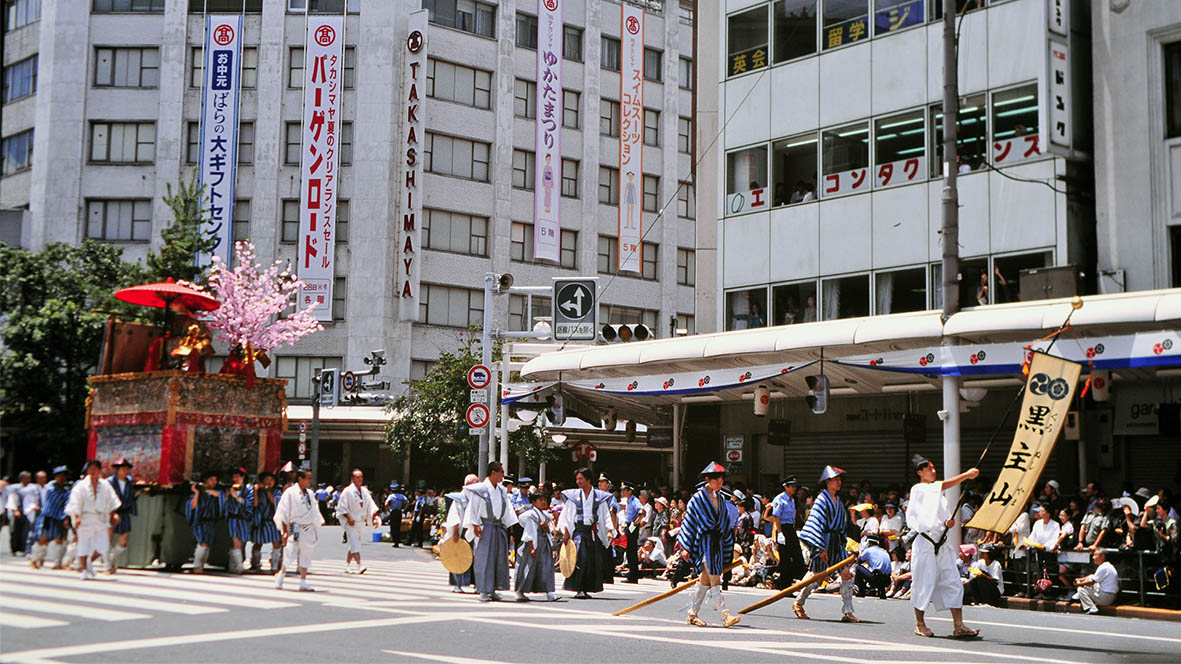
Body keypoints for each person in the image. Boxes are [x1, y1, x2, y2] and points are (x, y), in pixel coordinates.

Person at [907, 458, 980, 638]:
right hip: (925, 543)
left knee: (953, 581)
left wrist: (947, 522)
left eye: (933, 467)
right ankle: (920, 623)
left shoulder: (939, 495)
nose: (933, 471)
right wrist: (966, 475)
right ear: (920, 472)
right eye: (929, 468)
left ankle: (958, 625)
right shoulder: (919, 489)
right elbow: (940, 486)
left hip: (942, 543)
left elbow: (942, 516)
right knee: (923, 582)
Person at [678, 462, 740, 628]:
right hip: (704, 542)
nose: (719, 483)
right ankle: (724, 614)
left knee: (705, 581)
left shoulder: (720, 498)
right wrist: (685, 547)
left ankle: (692, 613)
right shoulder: (698, 498)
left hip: (716, 542)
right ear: (708, 479)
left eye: (721, 480)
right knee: (715, 579)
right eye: (716, 480)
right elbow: (689, 522)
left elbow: (725, 523)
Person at [796, 465, 859, 622]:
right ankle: (798, 603)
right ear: (827, 481)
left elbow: (842, 525)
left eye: (839, 479)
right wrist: (819, 547)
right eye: (835, 479)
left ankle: (848, 612)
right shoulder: (821, 500)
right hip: (823, 541)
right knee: (816, 578)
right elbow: (814, 524)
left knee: (847, 575)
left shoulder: (838, 501)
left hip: (837, 543)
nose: (838, 482)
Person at [463, 461, 519, 602]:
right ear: (493, 473)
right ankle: (482, 589)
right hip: (485, 527)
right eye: (501, 472)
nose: (503, 475)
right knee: (484, 559)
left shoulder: (501, 490)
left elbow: (507, 510)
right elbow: (473, 508)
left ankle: (493, 589)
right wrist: (474, 524)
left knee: (498, 559)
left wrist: (510, 528)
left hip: (499, 526)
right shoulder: (480, 489)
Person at [560, 467, 615, 598]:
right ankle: (578, 588)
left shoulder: (598, 497)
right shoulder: (574, 496)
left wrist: (609, 530)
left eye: (581, 479)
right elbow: (567, 515)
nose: (578, 481)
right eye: (577, 479)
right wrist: (566, 532)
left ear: (588, 480)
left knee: (591, 561)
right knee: (580, 559)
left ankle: (587, 587)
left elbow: (605, 515)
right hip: (579, 532)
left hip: (592, 532)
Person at [65, 460, 122, 580]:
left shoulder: (105, 485)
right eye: (90, 468)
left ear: (100, 470)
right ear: (87, 470)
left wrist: (113, 515)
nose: (93, 471)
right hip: (85, 516)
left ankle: (89, 562)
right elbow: (75, 502)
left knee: (103, 545)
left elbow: (112, 500)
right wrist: (77, 517)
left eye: (96, 468)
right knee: (83, 543)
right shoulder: (81, 486)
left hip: (100, 517)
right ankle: (83, 569)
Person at [274, 469, 324, 591]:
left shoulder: (311, 494)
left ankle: (303, 581)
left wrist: (318, 522)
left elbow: (315, 510)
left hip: (308, 527)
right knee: (289, 554)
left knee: (306, 555)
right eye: (308, 478)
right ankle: (281, 577)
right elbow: (282, 512)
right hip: (295, 526)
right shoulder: (290, 493)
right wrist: (285, 531)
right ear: (300, 479)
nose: (310, 480)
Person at [514, 491, 559, 602]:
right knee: (528, 567)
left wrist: (546, 528)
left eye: (544, 499)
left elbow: (551, 531)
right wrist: (532, 548)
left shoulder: (546, 515)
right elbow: (529, 532)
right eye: (540, 500)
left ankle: (549, 592)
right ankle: (520, 591)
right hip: (533, 543)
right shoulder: (531, 515)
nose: (543, 502)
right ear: (533, 502)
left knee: (547, 567)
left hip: (544, 543)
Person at [336, 468, 381, 574]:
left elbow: (370, 505)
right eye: (357, 477)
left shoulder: (364, 491)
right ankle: (359, 565)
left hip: (361, 521)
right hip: (351, 521)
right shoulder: (347, 491)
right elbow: (341, 506)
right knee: (354, 543)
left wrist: (374, 517)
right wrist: (348, 517)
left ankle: (347, 565)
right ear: (352, 478)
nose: (360, 479)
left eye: (361, 477)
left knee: (354, 544)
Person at [443, 474, 480, 593]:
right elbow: (454, 517)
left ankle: (477, 584)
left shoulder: (477, 498)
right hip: (461, 531)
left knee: (476, 557)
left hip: (474, 531)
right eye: (475, 482)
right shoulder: (458, 499)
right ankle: (457, 584)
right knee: (457, 557)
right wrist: (455, 532)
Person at [31, 466, 71, 570]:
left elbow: (67, 505)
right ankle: (35, 559)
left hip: (59, 518)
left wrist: (67, 517)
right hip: (47, 517)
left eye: (63, 476)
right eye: (59, 476)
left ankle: (58, 563)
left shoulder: (66, 491)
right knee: (43, 539)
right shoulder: (49, 488)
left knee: (59, 540)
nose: (61, 478)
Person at [769, 475, 806, 588]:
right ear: (785, 487)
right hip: (783, 529)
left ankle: (782, 580)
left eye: (795, 486)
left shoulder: (792, 500)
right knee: (785, 558)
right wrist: (779, 533)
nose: (794, 489)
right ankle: (784, 584)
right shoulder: (780, 499)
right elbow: (776, 517)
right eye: (791, 486)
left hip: (790, 529)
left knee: (798, 557)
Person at [185, 470, 224, 574]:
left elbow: (218, 495)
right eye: (211, 479)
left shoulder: (216, 492)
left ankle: (201, 565)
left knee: (208, 544)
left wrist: (205, 489)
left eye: (215, 480)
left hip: (210, 522)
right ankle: (196, 566)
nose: (214, 482)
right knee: (202, 543)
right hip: (200, 521)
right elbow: (193, 506)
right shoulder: (199, 492)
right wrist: (197, 492)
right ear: (206, 480)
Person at [105, 458, 137, 573]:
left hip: (124, 512)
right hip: (110, 511)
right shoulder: (109, 482)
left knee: (124, 539)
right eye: (123, 468)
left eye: (127, 469)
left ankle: (111, 558)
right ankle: (108, 566)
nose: (125, 471)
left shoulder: (129, 482)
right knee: (107, 539)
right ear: (117, 470)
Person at [252, 471, 283, 573]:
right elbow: (255, 504)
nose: (269, 482)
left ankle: (274, 565)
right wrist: (256, 491)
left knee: (276, 543)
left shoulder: (277, 492)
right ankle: (256, 564)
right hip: (261, 520)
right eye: (266, 480)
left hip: (272, 521)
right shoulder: (259, 492)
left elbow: (275, 502)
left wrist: (268, 491)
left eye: (271, 480)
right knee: (258, 543)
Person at [225, 467, 253, 574]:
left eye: (238, 476)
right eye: (234, 476)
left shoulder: (248, 489)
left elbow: (249, 504)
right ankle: (239, 566)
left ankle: (232, 566)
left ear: (243, 477)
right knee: (236, 542)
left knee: (241, 543)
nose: (235, 478)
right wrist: (227, 496)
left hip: (243, 519)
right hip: (233, 519)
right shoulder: (229, 488)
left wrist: (237, 497)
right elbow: (224, 504)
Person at [1074, 549, 1119, 614]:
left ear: (1102, 557)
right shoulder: (1107, 566)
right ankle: (1077, 597)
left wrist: (1079, 584)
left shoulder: (1103, 567)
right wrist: (1080, 579)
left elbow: (1092, 582)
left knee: (1081, 589)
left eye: (1095, 555)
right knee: (1091, 577)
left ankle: (1092, 608)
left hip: (1106, 598)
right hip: (1110, 595)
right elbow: (1093, 577)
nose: (1093, 557)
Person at [7, 470, 39, 556]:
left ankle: (24, 548)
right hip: (17, 510)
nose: (28, 480)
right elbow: (12, 499)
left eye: (29, 478)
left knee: (26, 530)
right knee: (15, 530)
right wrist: (15, 510)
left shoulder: (32, 488)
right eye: (26, 478)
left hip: (27, 511)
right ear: (21, 479)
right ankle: (14, 548)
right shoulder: (15, 488)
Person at [620, 482, 644, 583]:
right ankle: (632, 574)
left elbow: (642, 512)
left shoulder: (634, 500)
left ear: (630, 491)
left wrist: (635, 524)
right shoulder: (629, 501)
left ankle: (633, 576)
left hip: (632, 527)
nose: (622, 492)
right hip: (628, 526)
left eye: (624, 490)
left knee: (632, 551)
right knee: (629, 551)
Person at [854, 535, 892, 599]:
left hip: (876, 579)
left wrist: (861, 553)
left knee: (858, 568)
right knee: (879, 571)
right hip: (887, 580)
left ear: (869, 543)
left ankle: (861, 591)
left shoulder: (868, 550)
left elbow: (859, 561)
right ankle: (882, 592)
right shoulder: (884, 551)